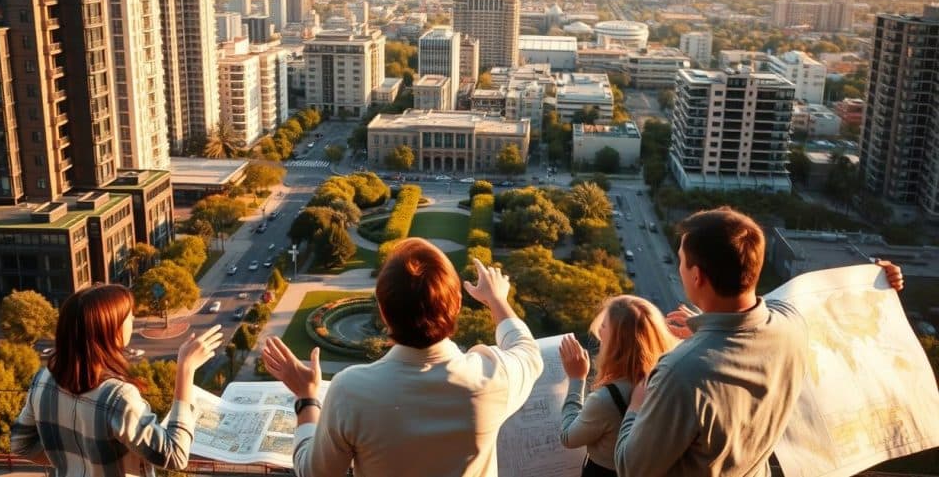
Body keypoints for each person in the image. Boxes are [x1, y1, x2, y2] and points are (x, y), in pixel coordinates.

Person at [614, 207, 904, 477]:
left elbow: (632, 469)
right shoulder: (791, 325)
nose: (679, 267)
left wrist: (636, 406)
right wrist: (878, 281)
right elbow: (839, 318)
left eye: (680, 261)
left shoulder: (680, 373)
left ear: (697, 276)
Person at [261, 237, 543, 477]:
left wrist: (307, 399)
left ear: (383, 311)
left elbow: (315, 473)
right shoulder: (491, 377)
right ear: (457, 305)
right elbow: (528, 350)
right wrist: (496, 299)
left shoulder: (351, 391)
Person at [10, 284, 223, 477]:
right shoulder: (117, 397)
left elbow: (20, 444)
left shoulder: (42, 380)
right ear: (111, 330)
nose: (132, 320)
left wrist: (77, 462)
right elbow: (176, 456)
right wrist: (185, 369)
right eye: (128, 317)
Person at [558, 296, 678, 476]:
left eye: (604, 326)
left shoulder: (606, 399)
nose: (599, 330)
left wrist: (576, 379)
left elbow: (568, 437)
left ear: (616, 343)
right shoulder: (670, 381)